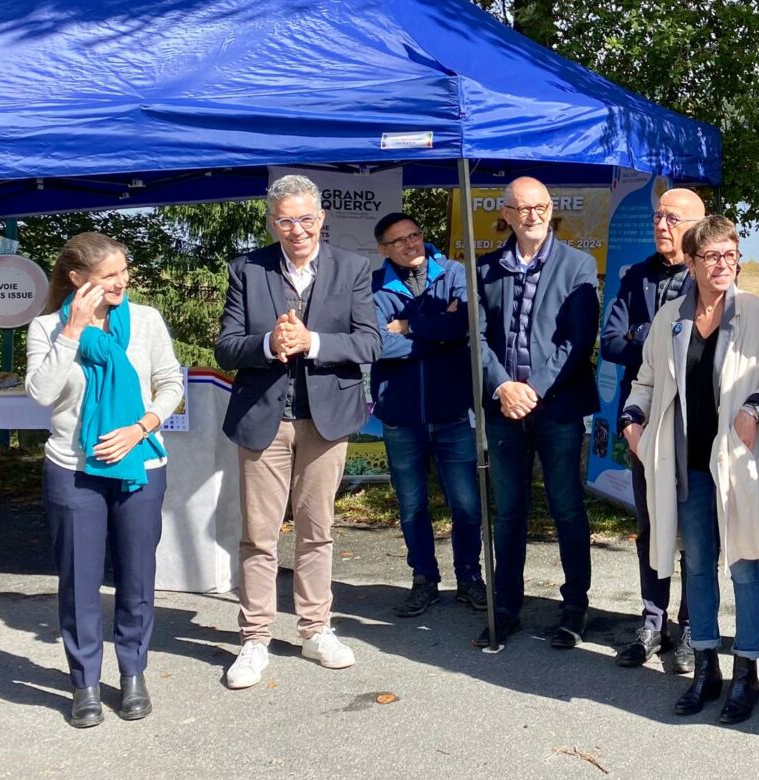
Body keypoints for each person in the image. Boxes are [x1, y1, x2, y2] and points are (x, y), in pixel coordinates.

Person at [621, 215, 759, 724]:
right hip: (686, 467)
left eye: (730, 254)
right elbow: (646, 382)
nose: (723, 265)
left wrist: (754, 407)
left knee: (743, 566)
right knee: (697, 566)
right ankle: (705, 667)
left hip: (737, 465)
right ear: (691, 262)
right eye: (712, 256)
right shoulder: (669, 318)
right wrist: (633, 420)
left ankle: (747, 672)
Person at [216, 174, 382, 689]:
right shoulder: (248, 268)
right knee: (259, 537)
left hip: (326, 421)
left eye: (306, 219)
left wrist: (311, 342)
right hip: (264, 419)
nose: (297, 230)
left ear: (321, 220)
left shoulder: (352, 268)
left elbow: (370, 343)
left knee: (317, 531)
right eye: (286, 220)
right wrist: (269, 343)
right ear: (273, 222)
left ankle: (315, 629)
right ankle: (255, 638)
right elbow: (227, 346)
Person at [25, 232, 183, 727]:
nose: (122, 281)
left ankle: (133, 673)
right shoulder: (47, 327)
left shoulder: (145, 321)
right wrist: (71, 332)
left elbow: (170, 384)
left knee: (137, 577)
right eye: (110, 274)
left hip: (139, 466)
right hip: (72, 469)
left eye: (124, 270)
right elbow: (40, 394)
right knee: (79, 582)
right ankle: (84, 683)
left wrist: (139, 429)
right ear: (77, 280)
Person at [472, 176, 600, 649]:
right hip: (504, 409)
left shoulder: (578, 265)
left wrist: (533, 389)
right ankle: (505, 607)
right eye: (522, 208)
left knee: (567, 508)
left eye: (541, 206)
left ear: (551, 209)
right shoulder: (485, 270)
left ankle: (574, 608)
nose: (533, 215)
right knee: (508, 512)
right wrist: (505, 386)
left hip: (559, 409)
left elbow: (577, 340)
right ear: (505, 214)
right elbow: (476, 338)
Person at [600, 187, 705, 672]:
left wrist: (643, 336)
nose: (661, 225)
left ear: (697, 225)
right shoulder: (635, 275)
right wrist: (657, 337)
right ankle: (652, 619)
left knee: (690, 530)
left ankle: (689, 627)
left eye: (673, 218)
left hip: (693, 426)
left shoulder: (708, 276)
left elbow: (701, 347)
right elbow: (610, 344)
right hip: (642, 425)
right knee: (649, 526)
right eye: (658, 216)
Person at [370, 211, 485, 618]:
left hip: (452, 412)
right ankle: (424, 579)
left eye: (414, 235)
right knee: (412, 506)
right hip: (401, 416)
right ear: (384, 249)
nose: (410, 244)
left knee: (468, 505)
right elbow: (376, 346)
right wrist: (435, 330)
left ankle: (470, 577)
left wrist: (407, 326)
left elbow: (463, 328)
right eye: (399, 240)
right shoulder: (373, 287)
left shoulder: (454, 272)